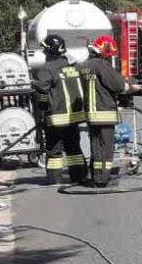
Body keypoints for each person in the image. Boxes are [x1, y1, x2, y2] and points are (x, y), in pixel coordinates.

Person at [31, 34, 87, 185]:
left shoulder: (47, 68)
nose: (43, 52)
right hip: (75, 115)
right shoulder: (73, 65)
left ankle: (54, 178)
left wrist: (42, 108)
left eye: (45, 49)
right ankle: (79, 176)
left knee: (54, 149)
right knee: (73, 147)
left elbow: (42, 90)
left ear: (50, 50)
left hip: (57, 116)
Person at [79, 35, 131, 187]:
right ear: (106, 51)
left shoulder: (85, 65)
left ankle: (96, 177)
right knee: (107, 147)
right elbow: (118, 85)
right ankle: (102, 179)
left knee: (96, 147)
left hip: (91, 113)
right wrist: (129, 87)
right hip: (104, 112)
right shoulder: (102, 65)